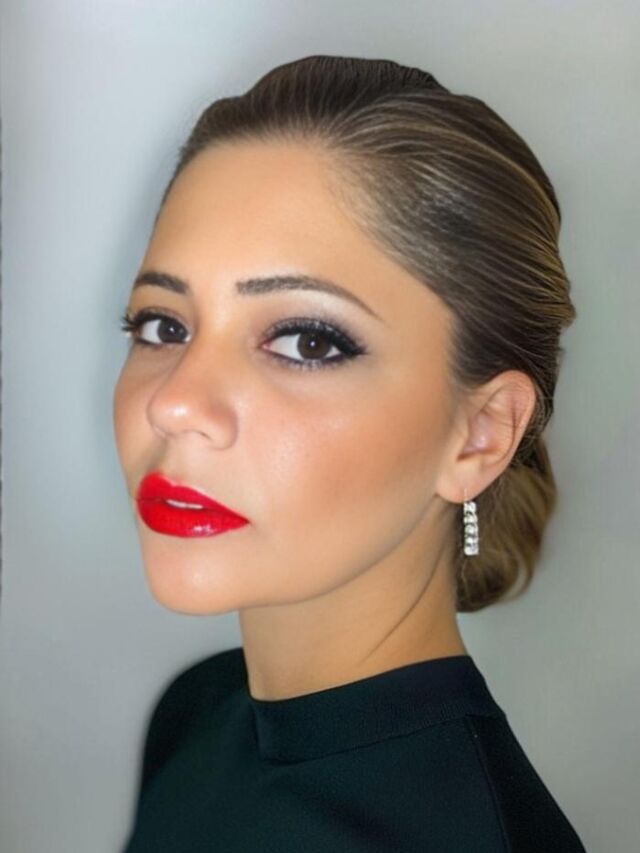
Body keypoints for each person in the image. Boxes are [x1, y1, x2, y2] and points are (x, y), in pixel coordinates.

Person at [113, 54, 588, 851]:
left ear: (480, 433)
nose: (175, 402)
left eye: (306, 340)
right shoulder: (198, 712)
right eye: (163, 325)